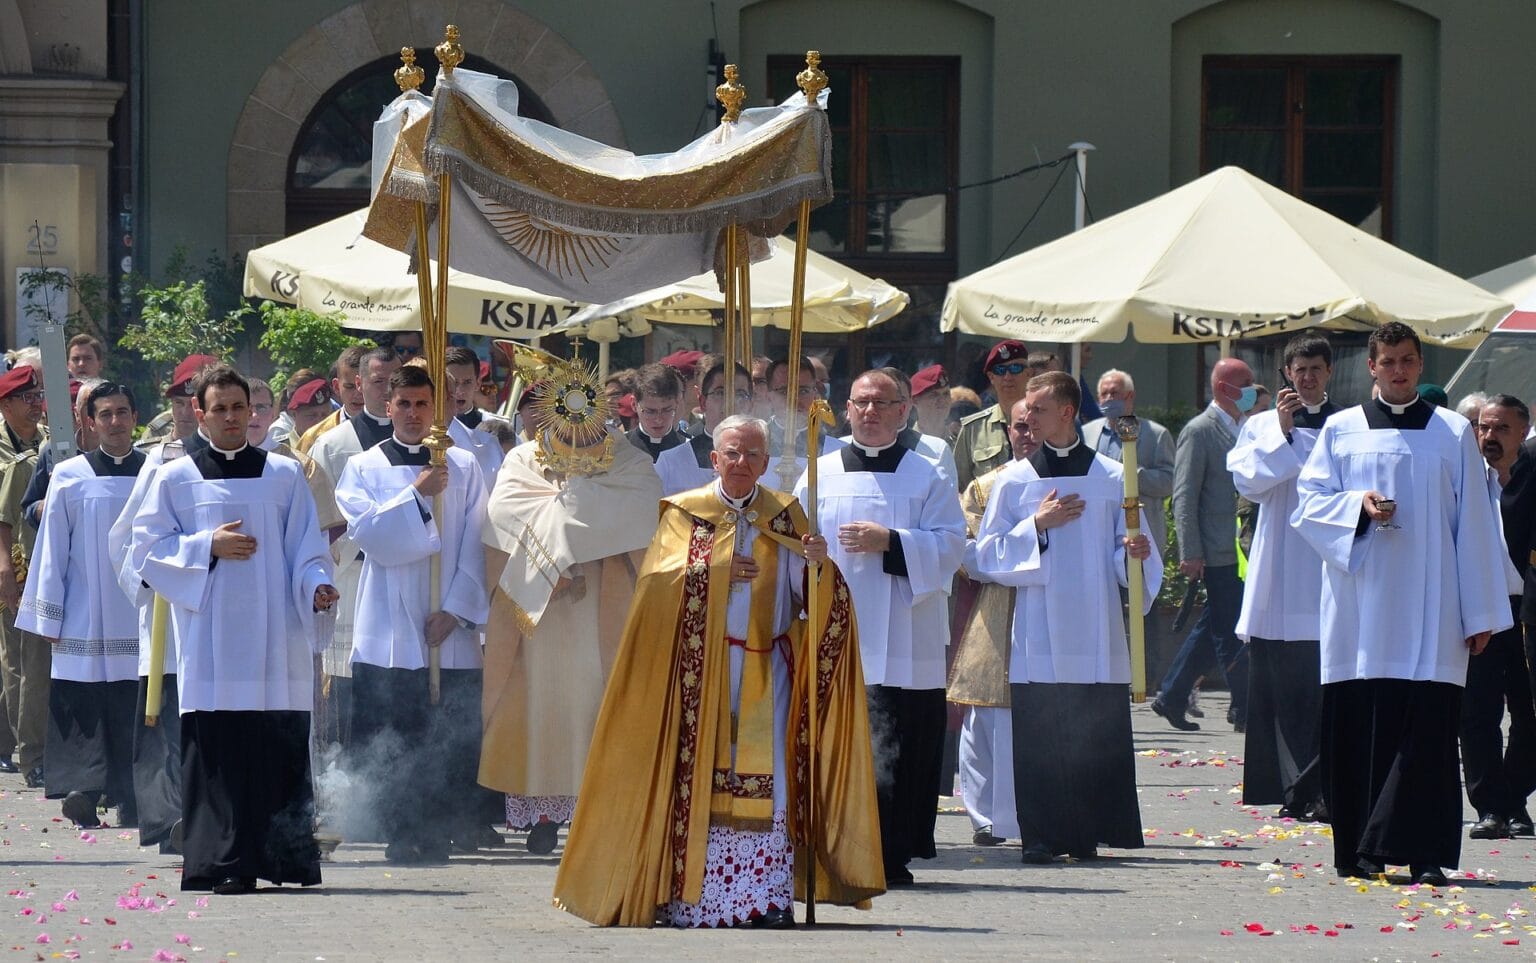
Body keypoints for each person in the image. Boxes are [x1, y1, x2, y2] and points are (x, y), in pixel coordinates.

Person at [553, 415, 882, 927]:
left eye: (752, 455)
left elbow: (811, 601)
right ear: (714, 458)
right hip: (696, 674)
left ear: (767, 463)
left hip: (765, 670)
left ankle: (764, 898)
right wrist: (719, 571)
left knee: (767, 774)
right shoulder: (685, 513)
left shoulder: (786, 515)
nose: (741, 463)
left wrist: (818, 565)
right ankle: (692, 898)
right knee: (696, 775)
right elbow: (656, 587)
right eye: (732, 453)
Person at [1292, 322, 1511, 886]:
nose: (1398, 370)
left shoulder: (1452, 431)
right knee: (1364, 730)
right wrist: (1355, 506)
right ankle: (1362, 851)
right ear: (1370, 366)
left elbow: (1477, 525)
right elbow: (1308, 506)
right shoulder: (1340, 430)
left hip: (1434, 611)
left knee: (1430, 734)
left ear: (1419, 365)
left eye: (1408, 361)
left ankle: (1426, 852)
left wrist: (1481, 612)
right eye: (1388, 361)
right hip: (1361, 611)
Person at [128, 365, 338, 894]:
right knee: (221, 754)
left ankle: (283, 859)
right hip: (213, 641)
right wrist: (206, 547)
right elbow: (146, 553)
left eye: (238, 408)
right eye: (218, 408)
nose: (229, 417)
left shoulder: (284, 476)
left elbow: (307, 550)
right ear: (199, 413)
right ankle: (223, 862)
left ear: (254, 412)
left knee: (274, 746)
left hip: (277, 640)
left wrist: (317, 585)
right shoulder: (176, 479)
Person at [479, 343, 662, 853]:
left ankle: (599, 808)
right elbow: (504, 517)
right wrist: (554, 552)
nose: (576, 429)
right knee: (539, 706)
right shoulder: (522, 459)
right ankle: (542, 817)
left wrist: (576, 537)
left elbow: (644, 513)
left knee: (595, 703)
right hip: (537, 612)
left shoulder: (629, 462)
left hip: (601, 607)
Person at [973, 372, 1158, 862]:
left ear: (1067, 413)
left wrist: (1134, 554)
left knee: (1094, 728)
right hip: (1036, 627)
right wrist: (1037, 525)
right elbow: (986, 556)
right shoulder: (1014, 481)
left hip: (1095, 627)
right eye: (1026, 410)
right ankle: (1041, 834)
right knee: (1040, 730)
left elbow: (1129, 554)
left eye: (1037, 409)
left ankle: (1089, 831)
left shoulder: (1112, 477)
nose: (1026, 417)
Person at [797, 369, 965, 885]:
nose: (869, 412)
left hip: (907, 631)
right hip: (839, 627)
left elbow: (952, 543)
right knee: (845, 740)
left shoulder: (927, 472)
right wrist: (808, 553)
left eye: (881, 403)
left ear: (903, 410)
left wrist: (891, 541)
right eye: (860, 403)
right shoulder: (817, 472)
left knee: (905, 740)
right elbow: (794, 540)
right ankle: (839, 847)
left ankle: (894, 851)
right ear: (846, 410)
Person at [335, 364, 490, 863]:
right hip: (390, 623)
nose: (414, 413)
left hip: (448, 623)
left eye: (424, 404)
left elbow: (479, 540)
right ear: (387, 407)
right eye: (404, 404)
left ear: (437, 408)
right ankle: (401, 830)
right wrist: (417, 495)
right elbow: (370, 537)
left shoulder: (464, 465)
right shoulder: (364, 467)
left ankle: (439, 827)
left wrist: (457, 611)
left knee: (444, 731)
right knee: (396, 731)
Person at [16, 383, 144, 828]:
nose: (114, 422)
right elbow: (51, 549)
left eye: (122, 412)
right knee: (82, 701)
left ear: (134, 417)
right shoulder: (70, 475)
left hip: (138, 610)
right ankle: (83, 791)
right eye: (105, 414)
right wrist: (46, 613)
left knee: (134, 702)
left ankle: (134, 796)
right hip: (84, 611)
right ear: (90, 421)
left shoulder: (156, 474)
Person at [1227, 334, 1340, 820]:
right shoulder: (1259, 427)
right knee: (1286, 693)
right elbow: (1248, 484)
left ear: (1328, 373)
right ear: (1287, 376)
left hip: (1329, 568)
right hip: (1280, 572)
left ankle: (1326, 789)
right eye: (1300, 370)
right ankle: (1294, 791)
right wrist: (1285, 432)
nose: (1308, 377)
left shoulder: (1349, 425)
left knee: (1326, 694)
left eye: (1316, 368)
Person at [1151, 357, 1256, 732]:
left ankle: (1172, 694)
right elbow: (1184, 496)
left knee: (1216, 627)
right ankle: (1244, 707)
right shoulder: (1200, 431)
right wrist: (1190, 551)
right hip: (1216, 550)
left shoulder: (1245, 427)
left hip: (1242, 550)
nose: (1253, 390)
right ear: (1225, 389)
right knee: (1230, 633)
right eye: (1245, 383)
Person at [950, 396, 1036, 847]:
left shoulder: (1074, 481)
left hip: (1049, 609)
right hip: (996, 607)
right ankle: (986, 818)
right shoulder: (984, 487)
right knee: (983, 716)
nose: (1027, 433)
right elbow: (963, 551)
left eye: (1033, 423)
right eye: (1019, 426)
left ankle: (1033, 812)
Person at [307, 346, 401, 757]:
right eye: (377, 381)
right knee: (347, 682)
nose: (385, 391)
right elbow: (318, 521)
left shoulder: (420, 439)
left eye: (392, 381)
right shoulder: (331, 445)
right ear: (358, 385)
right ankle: (346, 771)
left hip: (402, 578)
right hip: (352, 575)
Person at [1460, 395, 1536, 839]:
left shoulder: (1532, 477)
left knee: (1529, 713)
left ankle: (1513, 797)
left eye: (1500, 429)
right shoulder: (1465, 479)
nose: (1488, 437)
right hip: (1481, 610)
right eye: (1483, 428)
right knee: (1477, 712)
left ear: (1523, 433)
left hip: (1527, 612)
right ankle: (1490, 806)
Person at [0, 365, 48, 782]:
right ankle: (26, 750)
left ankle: (29, 749)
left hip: (38, 563)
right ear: (6, 405)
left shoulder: (52, 443)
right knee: (15, 663)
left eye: (39, 397)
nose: (37, 405)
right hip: (8, 565)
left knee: (29, 662)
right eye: (27, 398)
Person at [1081, 369, 1175, 555]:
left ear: (1129, 396)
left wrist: (1131, 474)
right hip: (1097, 535)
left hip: (1139, 538)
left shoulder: (1155, 435)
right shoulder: (1086, 433)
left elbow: (1169, 482)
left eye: (1114, 393)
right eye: (1103, 394)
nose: (1108, 399)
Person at [655, 358, 751, 496]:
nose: (730, 403)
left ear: (751, 404)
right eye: (720, 393)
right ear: (703, 402)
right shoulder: (671, 462)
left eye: (741, 394)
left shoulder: (767, 462)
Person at [953, 340, 1030, 493]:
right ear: (991, 377)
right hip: (986, 515)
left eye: (1015, 368)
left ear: (1029, 373)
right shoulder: (973, 429)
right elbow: (960, 487)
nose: (1008, 376)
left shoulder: (1045, 421)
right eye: (1000, 370)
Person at [767, 356, 846, 489]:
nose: (794, 400)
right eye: (784, 391)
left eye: (803, 391)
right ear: (769, 396)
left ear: (814, 394)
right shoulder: (755, 442)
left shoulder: (834, 449)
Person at [445, 346, 506, 486]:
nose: (459, 391)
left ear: (477, 383)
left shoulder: (499, 430)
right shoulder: (427, 428)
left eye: (467, 382)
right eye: (453, 383)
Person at [296, 344, 369, 455]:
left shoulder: (397, 430)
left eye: (363, 386)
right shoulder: (312, 439)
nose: (358, 394)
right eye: (349, 387)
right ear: (336, 387)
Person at [627, 362, 689, 463]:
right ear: (634, 404)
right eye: (650, 411)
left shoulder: (691, 450)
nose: (659, 420)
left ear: (677, 403)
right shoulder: (618, 450)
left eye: (667, 410)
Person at [910, 365, 951, 440]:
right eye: (934, 395)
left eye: (946, 394)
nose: (942, 400)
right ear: (915, 401)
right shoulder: (906, 443)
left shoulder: (961, 441)